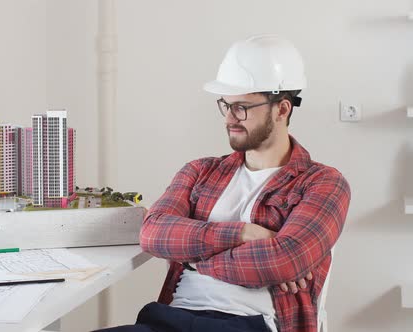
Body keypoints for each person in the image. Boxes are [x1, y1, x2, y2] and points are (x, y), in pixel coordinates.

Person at [95, 35, 351, 332]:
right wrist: (243, 233)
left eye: (242, 107)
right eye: (225, 105)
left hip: (250, 324)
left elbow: (284, 260)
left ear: (282, 109)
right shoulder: (200, 171)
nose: (230, 118)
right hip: (171, 318)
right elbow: (153, 233)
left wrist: (194, 260)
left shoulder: (323, 183)